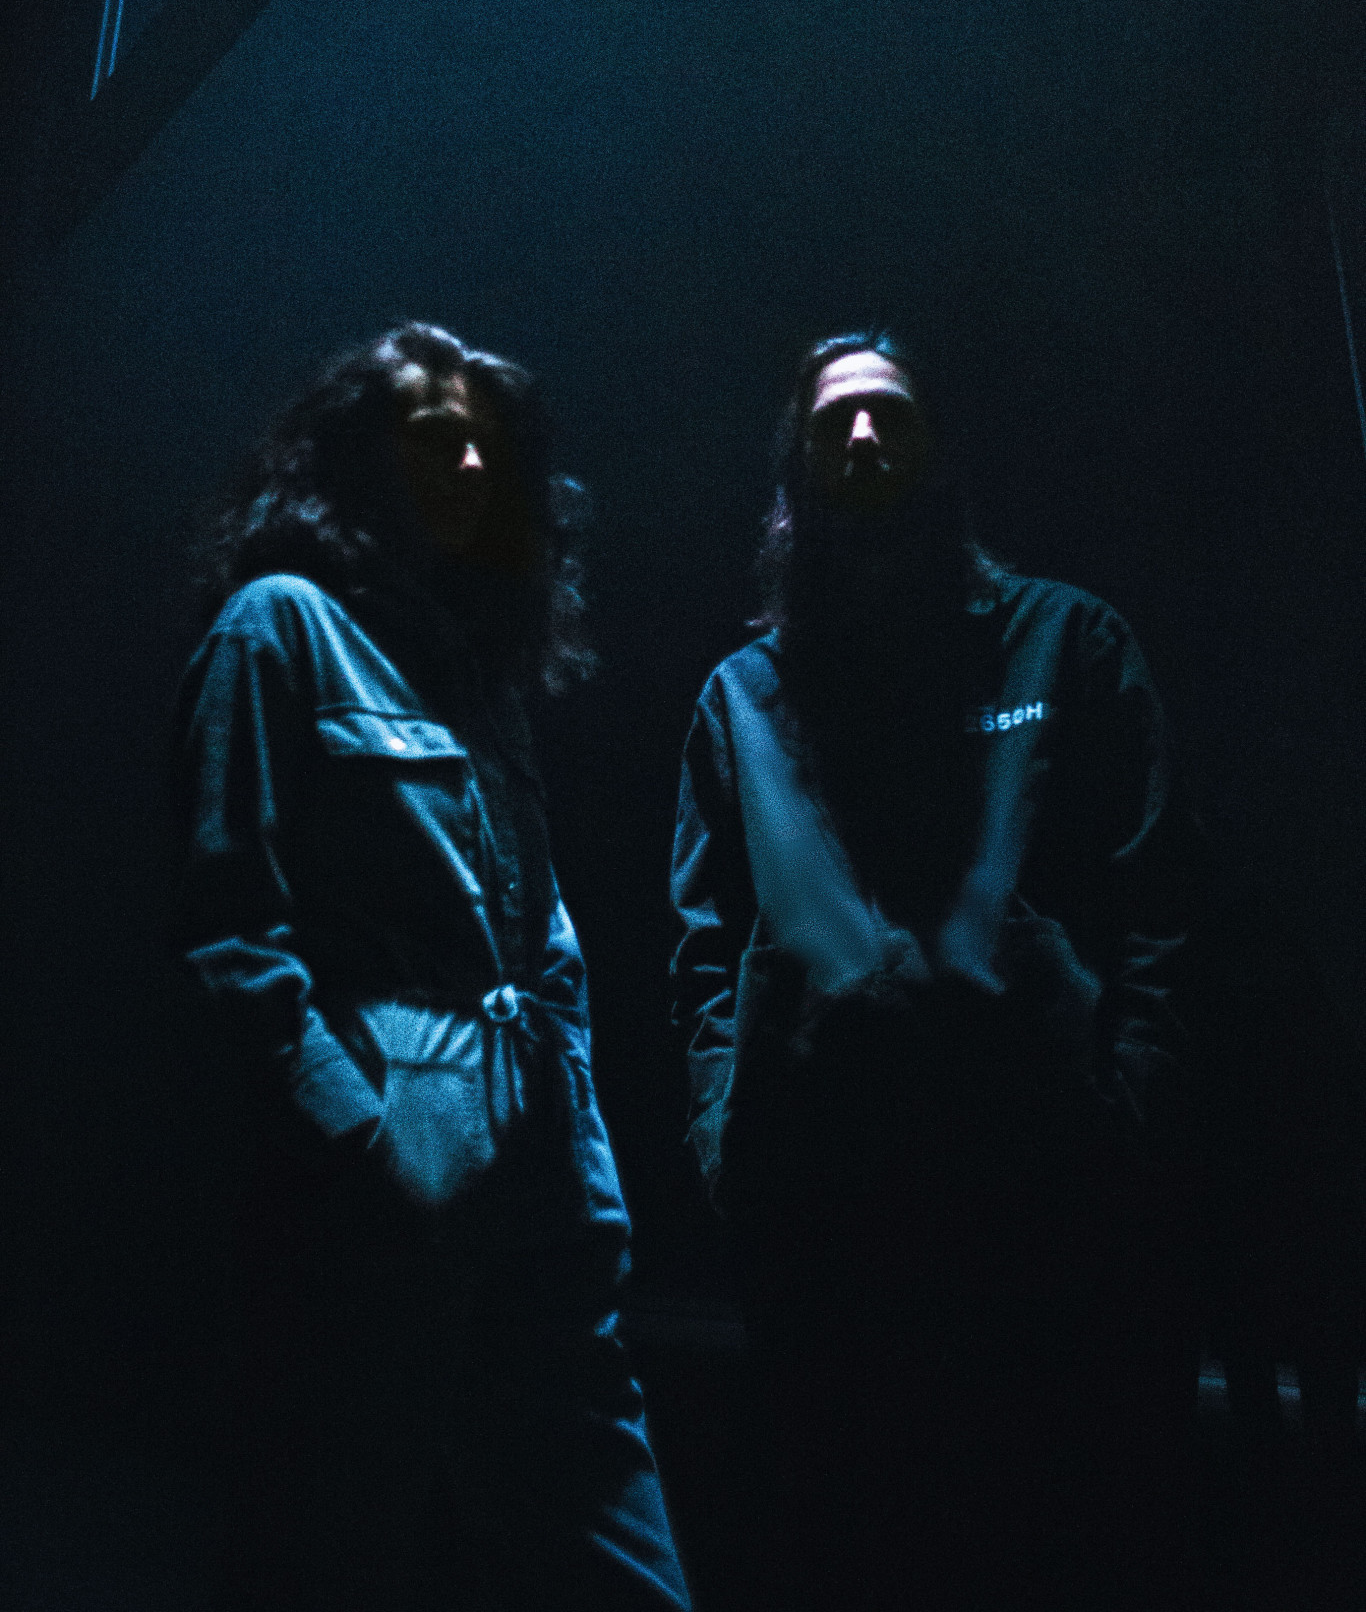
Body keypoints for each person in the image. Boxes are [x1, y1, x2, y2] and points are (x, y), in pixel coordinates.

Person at [670, 332, 1203, 1611]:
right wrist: (727, 1140)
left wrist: (1125, 1112)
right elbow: (700, 945)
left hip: (1038, 1202)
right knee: (856, 1549)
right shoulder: (743, 697)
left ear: (939, 449)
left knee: (1050, 1545)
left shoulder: (1067, 643)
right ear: (797, 467)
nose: (863, 437)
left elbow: (1161, 903)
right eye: (835, 422)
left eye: (891, 416)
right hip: (829, 1220)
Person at [174, 322, 691, 1612]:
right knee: (328, 1547)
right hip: (374, 1205)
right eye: (433, 436)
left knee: (606, 1539)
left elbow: (544, 937)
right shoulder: (276, 627)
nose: (468, 463)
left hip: (537, 1191)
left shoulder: (477, 671)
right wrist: (368, 1142)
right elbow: (229, 933)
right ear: (355, 453)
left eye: (483, 443)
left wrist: (581, 1161)